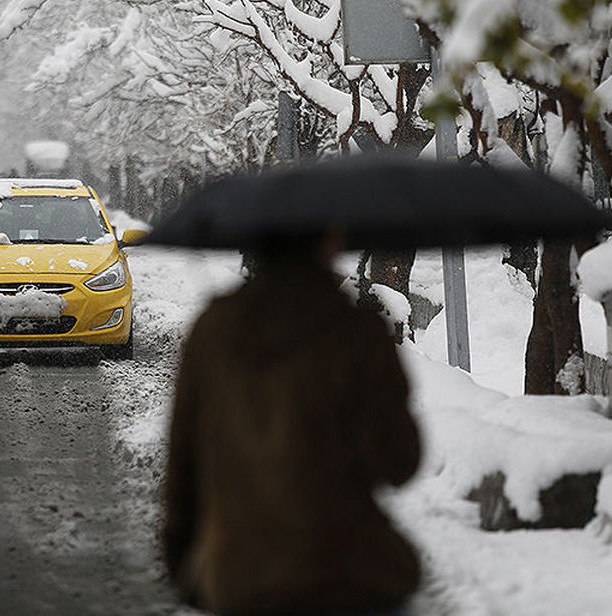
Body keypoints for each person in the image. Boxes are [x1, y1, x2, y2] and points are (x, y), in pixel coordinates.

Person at [162, 232, 423, 616]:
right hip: (349, 576)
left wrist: (184, 561)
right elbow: (399, 461)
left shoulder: (213, 330)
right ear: (326, 246)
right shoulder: (356, 332)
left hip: (244, 577)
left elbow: (183, 464)